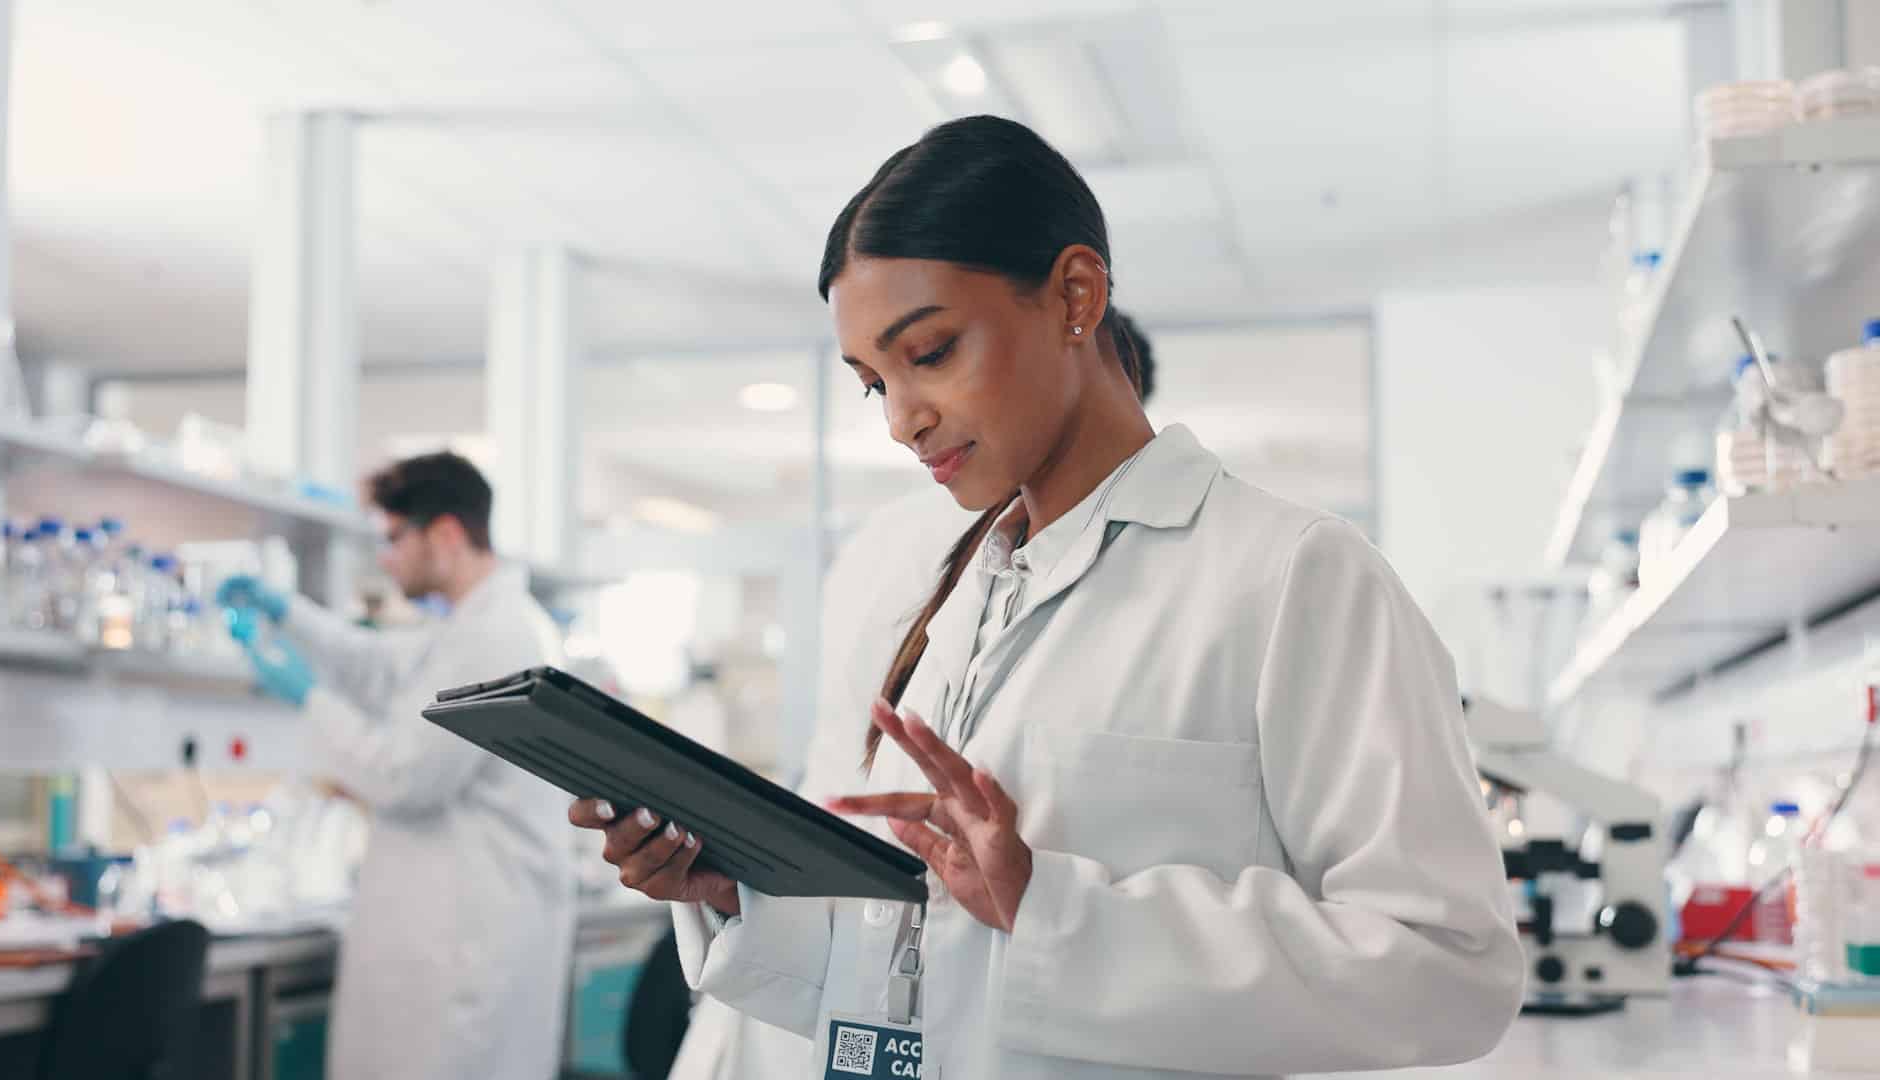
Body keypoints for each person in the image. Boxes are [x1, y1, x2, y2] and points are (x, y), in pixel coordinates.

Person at [573, 116, 1522, 1078]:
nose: (904, 421)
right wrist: (736, 893)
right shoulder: (956, 604)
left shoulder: (1293, 577)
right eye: (873, 384)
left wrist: (1053, 908)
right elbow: (924, 958)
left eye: (931, 352)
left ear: (1076, 294)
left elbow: (1447, 969)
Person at [668, 313, 1156, 1080]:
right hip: (856, 953)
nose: (905, 422)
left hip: (838, 945)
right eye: (876, 386)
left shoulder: (913, 538)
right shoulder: (971, 541)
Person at [218, 452, 574, 1080]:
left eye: (393, 538)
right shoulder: (480, 626)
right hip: (461, 936)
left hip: (462, 948)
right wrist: (287, 612)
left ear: (443, 534)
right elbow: (383, 664)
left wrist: (310, 698)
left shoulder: (495, 636)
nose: (385, 557)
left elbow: (406, 778)